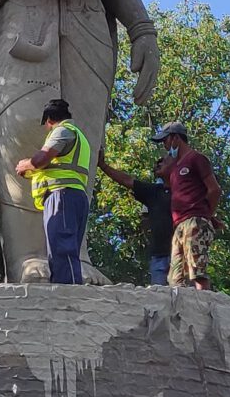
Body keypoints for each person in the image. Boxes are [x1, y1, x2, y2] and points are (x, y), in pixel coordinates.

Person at [13, 96, 92, 285]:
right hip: (74, 195)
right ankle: (67, 286)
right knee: (64, 248)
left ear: (49, 120)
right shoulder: (80, 137)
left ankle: (67, 294)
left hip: (61, 196)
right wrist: (32, 172)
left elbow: (42, 159)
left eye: (47, 124)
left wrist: (26, 164)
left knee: (61, 247)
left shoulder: (62, 130)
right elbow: (59, 167)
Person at [158, 122, 222, 291]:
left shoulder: (195, 158)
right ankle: (182, 312)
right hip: (179, 224)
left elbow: (214, 189)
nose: (165, 146)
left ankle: (206, 307)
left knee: (197, 271)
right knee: (175, 278)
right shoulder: (174, 169)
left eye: (165, 141)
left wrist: (206, 215)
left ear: (176, 138)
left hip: (194, 221)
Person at [106, 159, 173, 287]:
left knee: (184, 298)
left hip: (180, 255)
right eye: (156, 164)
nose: (157, 164)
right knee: (159, 299)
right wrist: (103, 165)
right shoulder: (153, 192)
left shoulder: (185, 191)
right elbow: (127, 181)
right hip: (158, 255)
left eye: (162, 162)